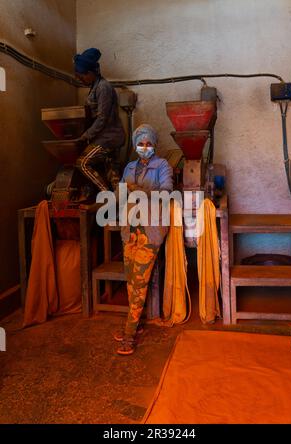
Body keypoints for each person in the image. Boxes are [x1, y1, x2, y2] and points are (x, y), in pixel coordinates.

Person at [114, 124, 173, 355]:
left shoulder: (162, 165)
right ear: (136, 144)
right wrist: (121, 190)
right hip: (130, 229)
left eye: (149, 143)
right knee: (131, 279)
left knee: (140, 281)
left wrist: (140, 190)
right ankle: (135, 323)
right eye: (141, 143)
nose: (145, 147)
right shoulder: (129, 166)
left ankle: (129, 334)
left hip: (150, 229)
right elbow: (120, 194)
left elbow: (167, 191)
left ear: (154, 145)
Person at [74, 48, 125, 191]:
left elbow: (102, 118)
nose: (79, 79)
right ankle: (119, 205)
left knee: (82, 163)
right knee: (113, 175)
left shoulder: (103, 87)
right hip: (108, 137)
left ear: (90, 73)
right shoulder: (94, 87)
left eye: (81, 76)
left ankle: (106, 195)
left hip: (108, 138)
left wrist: (85, 136)